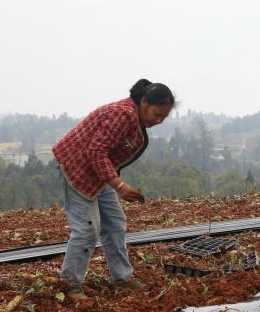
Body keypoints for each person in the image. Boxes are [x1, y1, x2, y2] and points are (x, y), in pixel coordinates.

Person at [52, 79, 175, 300]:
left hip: (99, 172)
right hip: (78, 166)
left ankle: (122, 277)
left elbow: (105, 154)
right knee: (87, 229)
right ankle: (69, 285)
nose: (158, 121)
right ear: (144, 101)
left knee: (115, 223)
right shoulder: (123, 115)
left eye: (163, 118)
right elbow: (96, 151)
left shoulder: (134, 117)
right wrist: (118, 185)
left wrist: (114, 181)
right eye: (157, 114)